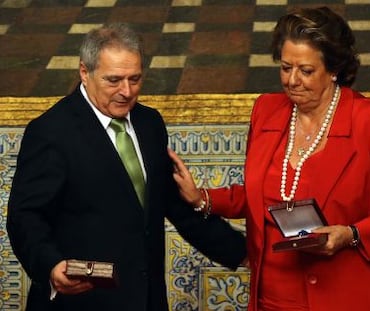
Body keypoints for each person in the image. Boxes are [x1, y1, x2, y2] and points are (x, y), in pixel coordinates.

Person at [168, 6, 370, 311]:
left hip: (349, 294)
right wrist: (202, 198)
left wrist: (351, 234)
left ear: (334, 69)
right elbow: (264, 196)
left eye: (306, 71)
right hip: (274, 295)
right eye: (286, 68)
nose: (292, 80)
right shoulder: (266, 111)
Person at [6, 23, 246, 311]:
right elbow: (25, 217)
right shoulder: (50, 132)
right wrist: (51, 265)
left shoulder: (150, 124)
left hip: (145, 299)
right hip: (81, 302)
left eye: (135, 79)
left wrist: (243, 253)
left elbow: (174, 205)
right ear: (85, 72)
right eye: (114, 80)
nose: (127, 91)